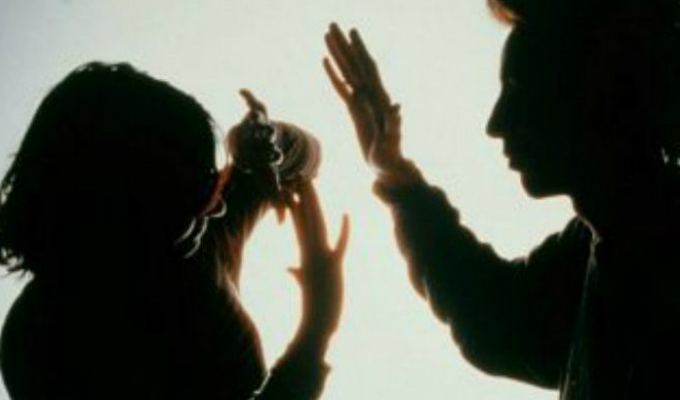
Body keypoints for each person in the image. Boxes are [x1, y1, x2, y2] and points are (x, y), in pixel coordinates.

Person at [323, 0, 680, 397]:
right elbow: (496, 318)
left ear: (599, 97)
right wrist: (396, 174)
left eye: (520, 91)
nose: (496, 124)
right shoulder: (594, 248)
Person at [0, 62, 348, 399]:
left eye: (211, 181)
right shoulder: (40, 344)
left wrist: (264, 140)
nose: (216, 205)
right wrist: (316, 328)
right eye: (195, 190)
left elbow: (305, 160)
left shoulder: (200, 239)